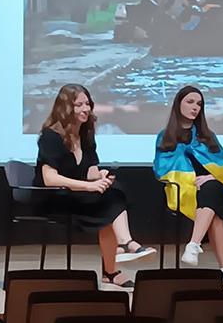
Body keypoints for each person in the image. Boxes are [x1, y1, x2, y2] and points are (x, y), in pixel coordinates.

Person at [34, 84, 155, 287]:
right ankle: (123, 249)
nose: (85, 109)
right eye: (79, 105)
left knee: (113, 193)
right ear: (65, 108)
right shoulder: (51, 136)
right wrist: (88, 186)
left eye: (87, 103)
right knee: (109, 202)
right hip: (54, 198)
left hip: (76, 195)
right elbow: (50, 179)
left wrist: (100, 175)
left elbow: (88, 168)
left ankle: (121, 253)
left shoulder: (85, 133)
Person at [153, 85, 223, 287]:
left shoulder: (207, 135)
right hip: (185, 189)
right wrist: (191, 181)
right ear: (179, 104)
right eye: (190, 102)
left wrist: (211, 176)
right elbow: (162, 169)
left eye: (199, 104)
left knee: (211, 191)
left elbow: (222, 166)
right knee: (215, 215)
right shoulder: (165, 136)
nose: (195, 107)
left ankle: (194, 244)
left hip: (215, 185)